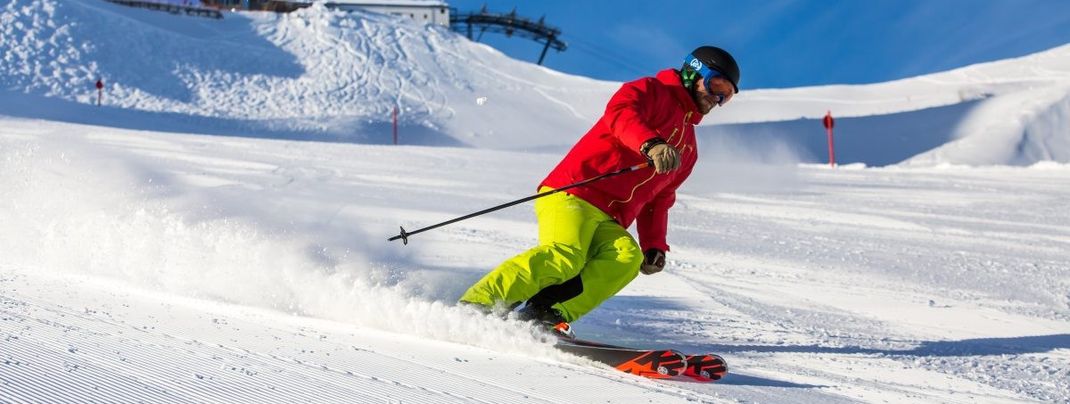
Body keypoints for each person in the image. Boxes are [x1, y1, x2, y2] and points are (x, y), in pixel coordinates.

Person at [459, 46, 741, 333]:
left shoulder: (688, 148)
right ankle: (478, 304)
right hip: (575, 191)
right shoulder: (651, 90)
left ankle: (545, 313)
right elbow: (621, 114)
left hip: (610, 217)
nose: (717, 98)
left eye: (726, 95)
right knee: (564, 255)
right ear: (694, 72)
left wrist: (654, 244)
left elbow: (661, 197)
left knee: (626, 258)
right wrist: (651, 143)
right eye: (716, 85)